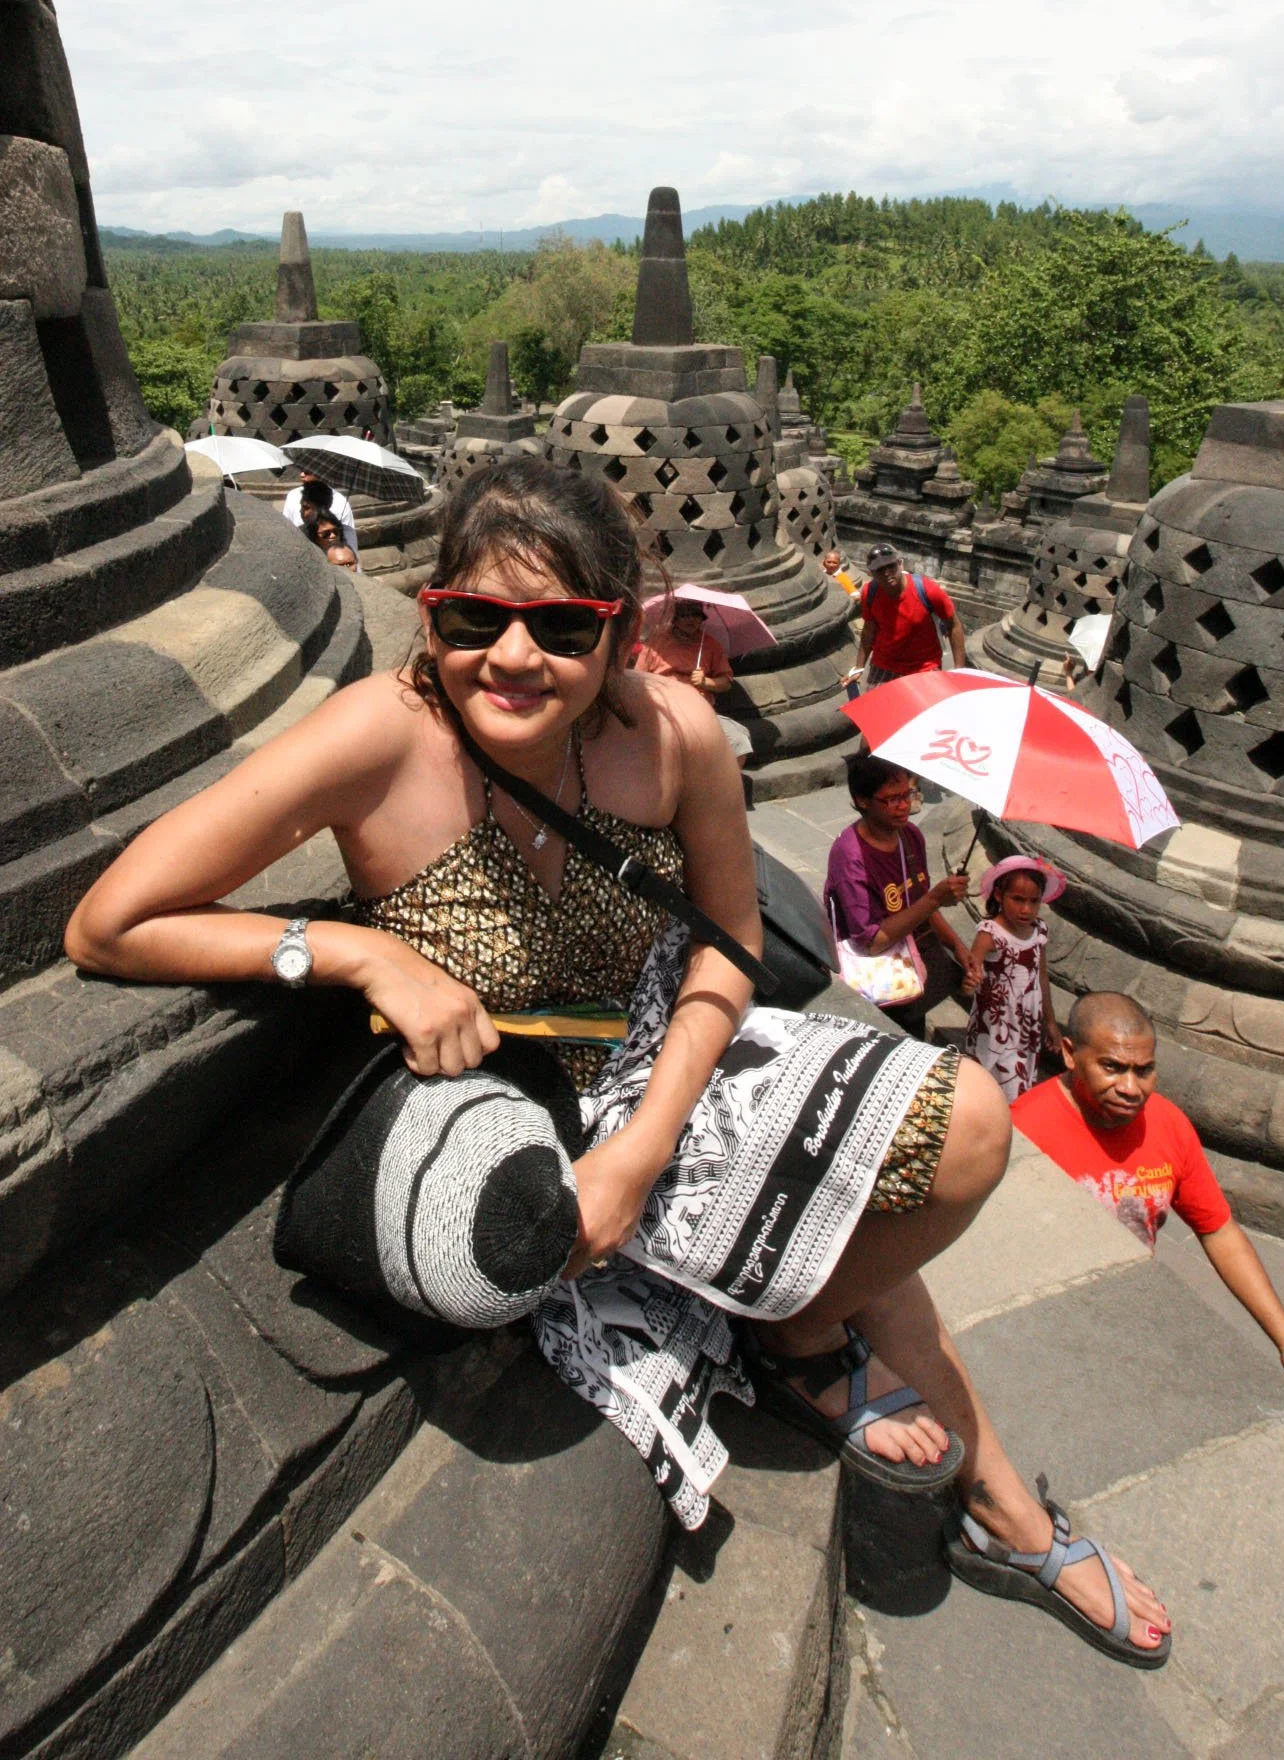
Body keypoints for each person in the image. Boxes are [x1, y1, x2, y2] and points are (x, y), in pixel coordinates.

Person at [66, 461, 1170, 1665]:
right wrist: (351, 953)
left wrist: (642, 1151)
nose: (510, 657)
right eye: (473, 619)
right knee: (521, 1257)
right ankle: (968, 1475)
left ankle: (827, 1350)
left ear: (617, 634)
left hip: (665, 1069)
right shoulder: (380, 736)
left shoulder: (672, 736)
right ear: (430, 616)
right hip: (509, 1106)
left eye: (560, 628)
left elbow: (728, 951)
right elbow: (110, 925)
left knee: (965, 1126)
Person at [1014, 992, 1284, 1415]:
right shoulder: (1023, 1129)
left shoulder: (1169, 1125)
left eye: (1144, 1070)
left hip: (1130, 1328)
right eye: (1112, 1067)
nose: (1131, 1088)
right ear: (1071, 1055)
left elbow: (1219, 1232)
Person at [824, 755, 971, 1039]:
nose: (905, 806)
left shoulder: (910, 836)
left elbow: (919, 902)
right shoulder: (851, 857)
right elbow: (873, 941)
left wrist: (957, 946)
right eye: (892, 799)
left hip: (908, 973)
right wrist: (935, 899)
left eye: (909, 794)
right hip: (874, 981)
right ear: (862, 800)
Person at [963, 856, 1064, 1100]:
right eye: (1018, 900)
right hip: (996, 1026)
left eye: (1033, 901)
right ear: (999, 895)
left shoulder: (1039, 930)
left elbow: (1041, 976)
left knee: (1019, 1083)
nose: (1026, 909)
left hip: (1026, 1024)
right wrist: (970, 983)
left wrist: (1050, 1022)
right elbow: (971, 972)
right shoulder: (990, 934)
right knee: (993, 1084)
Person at [633, 597, 751, 766]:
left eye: (695, 615)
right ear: (675, 619)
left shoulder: (710, 645)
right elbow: (637, 679)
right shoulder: (655, 643)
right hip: (665, 710)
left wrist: (705, 682)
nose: (690, 620)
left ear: (702, 618)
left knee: (738, 740)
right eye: (684, 615)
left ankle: (726, 782)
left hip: (700, 712)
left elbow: (725, 682)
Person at [857, 544, 966, 685]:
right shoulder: (869, 593)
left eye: (891, 566)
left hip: (924, 666)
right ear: (871, 573)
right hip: (884, 664)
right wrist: (858, 667)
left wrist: (959, 669)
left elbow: (953, 625)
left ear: (900, 564)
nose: (887, 573)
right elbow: (869, 630)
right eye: (880, 570)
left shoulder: (927, 590)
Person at [283, 475, 359, 558]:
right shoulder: (297, 535)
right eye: (326, 534)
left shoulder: (346, 531)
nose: (333, 536)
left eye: (306, 507)